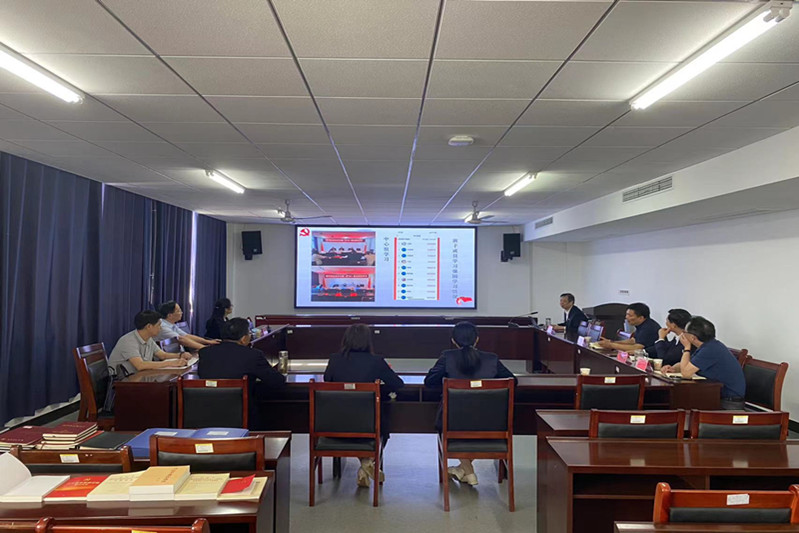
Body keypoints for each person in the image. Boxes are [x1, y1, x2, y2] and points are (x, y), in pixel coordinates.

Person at [424, 321, 517, 486]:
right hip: (491, 423)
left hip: (453, 422)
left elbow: (429, 381)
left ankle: (466, 470)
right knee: (471, 422)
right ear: (477, 339)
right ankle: (465, 469)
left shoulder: (447, 357)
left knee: (454, 422)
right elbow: (512, 381)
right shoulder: (492, 359)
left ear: (453, 340)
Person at [324, 324, 404, 488]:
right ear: (368, 341)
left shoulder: (335, 359)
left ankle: (365, 466)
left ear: (346, 340)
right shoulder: (376, 361)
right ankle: (367, 462)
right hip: (368, 426)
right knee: (382, 424)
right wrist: (378, 389)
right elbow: (398, 384)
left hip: (334, 424)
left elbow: (327, 382)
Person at [198, 317, 286, 428]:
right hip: (241, 418)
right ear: (243, 339)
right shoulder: (253, 355)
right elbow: (277, 381)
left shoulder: (205, 353)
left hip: (204, 414)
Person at [660, 317, 746, 410]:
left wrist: (687, 348)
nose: (682, 334)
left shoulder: (711, 349)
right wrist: (673, 368)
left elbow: (686, 373)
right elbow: (688, 364)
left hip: (728, 402)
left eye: (684, 332)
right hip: (714, 395)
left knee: (678, 403)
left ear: (693, 337)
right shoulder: (708, 346)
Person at [108, 310, 189, 376]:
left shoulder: (149, 339)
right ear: (149, 326)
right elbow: (140, 365)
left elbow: (162, 355)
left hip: (139, 377)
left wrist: (180, 356)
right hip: (121, 381)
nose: (160, 328)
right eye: (158, 325)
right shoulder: (128, 341)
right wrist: (170, 363)